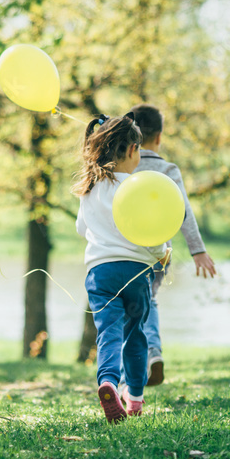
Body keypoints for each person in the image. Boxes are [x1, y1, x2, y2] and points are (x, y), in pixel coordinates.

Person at [74, 114, 170, 423]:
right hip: (135, 270)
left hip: (99, 273)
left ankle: (108, 383)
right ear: (131, 150)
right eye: (139, 150)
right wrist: (162, 253)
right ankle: (135, 400)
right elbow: (150, 231)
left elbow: (80, 227)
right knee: (135, 333)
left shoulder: (89, 186)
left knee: (109, 332)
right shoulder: (135, 186)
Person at [125, 103, 216, 386]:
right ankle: (152, 353)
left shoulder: (123, 166)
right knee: (148, 301)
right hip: (159, 254)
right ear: (160, 137)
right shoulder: (168, 169)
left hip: (125, 250)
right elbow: (184, 210)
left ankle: (129, 369)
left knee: (126, 307)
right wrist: (197, 250)